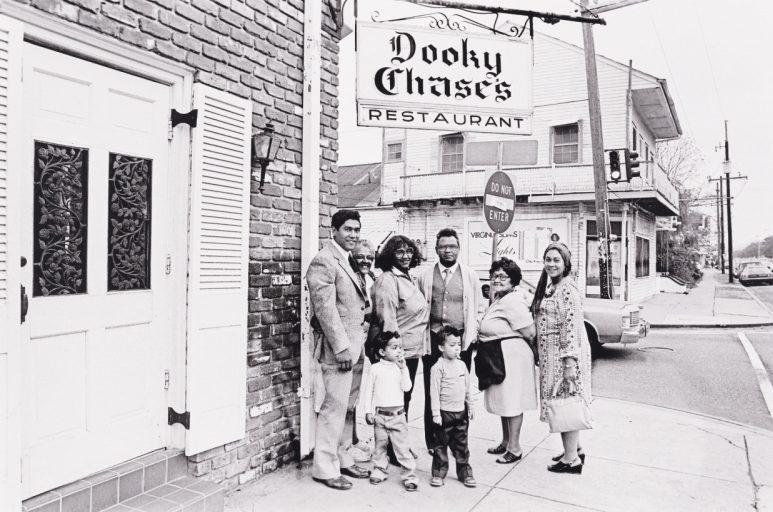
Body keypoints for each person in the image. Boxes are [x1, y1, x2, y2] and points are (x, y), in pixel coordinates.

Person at [306, 209, 371, 490]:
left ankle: (343, 458)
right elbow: (325, 310)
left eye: (356, 230)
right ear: (333, 230)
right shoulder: (324, 261)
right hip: (339, 351)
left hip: (357, 348)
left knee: (349, 408)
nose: (353, 235)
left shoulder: (348, 259)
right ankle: (324, 467)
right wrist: (343, 347)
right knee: (334, 408)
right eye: (347, 229)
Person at [417, 228, 482, 453]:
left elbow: (476, 307)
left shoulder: (470, 276)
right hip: (433, 340)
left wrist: (471, 338)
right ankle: (434, 442)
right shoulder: (425, 276)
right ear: (436, 249)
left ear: (459, 249)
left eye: (452, 246)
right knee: (432, 390)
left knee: (459, 390)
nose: (448, 250)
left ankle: (458, 442)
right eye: (443, 246)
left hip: (459, 343)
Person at [531, 243, 592, 474]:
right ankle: (574, 450)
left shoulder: (567, 289)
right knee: (565, 402)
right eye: (548, 259)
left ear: (566, 263)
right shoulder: (555, 286)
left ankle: (571, 460)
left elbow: (571, 327)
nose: (551, 264)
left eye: (556, 260)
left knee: (565, 404)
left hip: (563, 358)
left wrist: (569, 363)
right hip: (554, 357)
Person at [476, 257, 538, 464]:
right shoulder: (501, 299)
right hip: (498, 354)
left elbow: (530, 332)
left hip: (511, 356)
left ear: (513, 280)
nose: (497, 279)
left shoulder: (513, 301)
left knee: (512, 401)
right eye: (494, 276)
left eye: (503, 276)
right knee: (503, 401)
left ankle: (515, 447)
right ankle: (505, 441)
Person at [372, 235, 428, 416]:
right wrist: (394, 355)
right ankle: (392, 444)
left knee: (405, 398)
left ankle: (398, 440)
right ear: (390, 255)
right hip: (398, 353)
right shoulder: (388, 280)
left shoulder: (407, 277)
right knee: (394, 402)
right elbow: (387, 320)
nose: (406, 256)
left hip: (411, 351)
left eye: (409, 251)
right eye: (400, 252)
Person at [362, 334, 419, 491]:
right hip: (380, 416)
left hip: (398, 416)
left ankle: (409, 475)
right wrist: (368, 411)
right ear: (382, 351)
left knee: (402, 448)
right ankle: (380, 470)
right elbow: (368, 392)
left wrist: (404, 369)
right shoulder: (375, 369)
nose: (399, 351)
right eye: (394, 348)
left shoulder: (399, 368)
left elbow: (407, 387)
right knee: (380, 446)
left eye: (400, 347)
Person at [429, 326, 475, 488]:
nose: (457, 348)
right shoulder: (437, 368)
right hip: (444, 413)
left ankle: (464, 471)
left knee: (462, 444)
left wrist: (470, 406)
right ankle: (439, 472)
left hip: (460, 412)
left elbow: (467, 387)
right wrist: (436, 414)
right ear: (441, 347)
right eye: (452, 345)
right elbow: (434, 393)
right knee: (441, 445)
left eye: (458, 345)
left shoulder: (462, 365)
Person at [349, 239, 377, 461]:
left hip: (363, 345)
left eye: (369, 257)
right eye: (360, 256)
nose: (365, 261)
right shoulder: (350, 278)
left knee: (356, 394)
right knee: (347, 396)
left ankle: (355, 439)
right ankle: (348, 443)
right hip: (349, 346)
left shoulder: (370, 279)